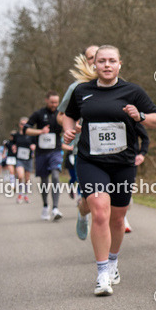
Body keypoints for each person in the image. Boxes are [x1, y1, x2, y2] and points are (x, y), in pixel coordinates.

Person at [60, 45, 156, 296]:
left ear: (120, 64)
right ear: (94, 65)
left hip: (122, 162)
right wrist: (69, 129)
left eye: (112, 61)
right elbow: (68, 115)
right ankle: (102, 272)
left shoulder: (132, 91)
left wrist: (138, 115)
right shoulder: (82, 91)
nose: (107, 65)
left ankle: (114, 261)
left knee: (118, 217)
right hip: (91, 161)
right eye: (102, 61)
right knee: (100, 213)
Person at [59, 46, 98, 240]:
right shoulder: (76, 88)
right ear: (86, 61)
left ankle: (108, 253)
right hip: (84, 151)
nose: (96, 61)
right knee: (91, 199)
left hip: (113, 151)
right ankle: (83, 213)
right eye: (91, 57)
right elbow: (62, 116)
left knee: (114, 199)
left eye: (99, 57)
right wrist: (73, 128)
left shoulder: (119, 85)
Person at [24, 91, 65, 221]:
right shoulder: (38, 114)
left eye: (56, 102)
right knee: (44, 181)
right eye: (52, 102)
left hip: (56, 150)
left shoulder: (61, 113)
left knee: (55, 175)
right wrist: (40, 131)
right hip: (41, 153)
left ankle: (55, 208)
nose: (54, 105)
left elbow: (69, 125)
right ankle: (46, 206)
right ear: (46, 100)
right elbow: (26, 129)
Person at [12, 117, 35, 204]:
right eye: (22, 124)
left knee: (27, 178)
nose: (23, 125)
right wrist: (13, 148)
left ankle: (25, 194)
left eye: (25, 124)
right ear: (19, 125)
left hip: (28, 159)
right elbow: (13, 144)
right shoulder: (16, 135)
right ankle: (20, 194)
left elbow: (35, 143)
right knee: (20, 176)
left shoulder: (31, 135)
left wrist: (34, 146)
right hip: (19, 158)